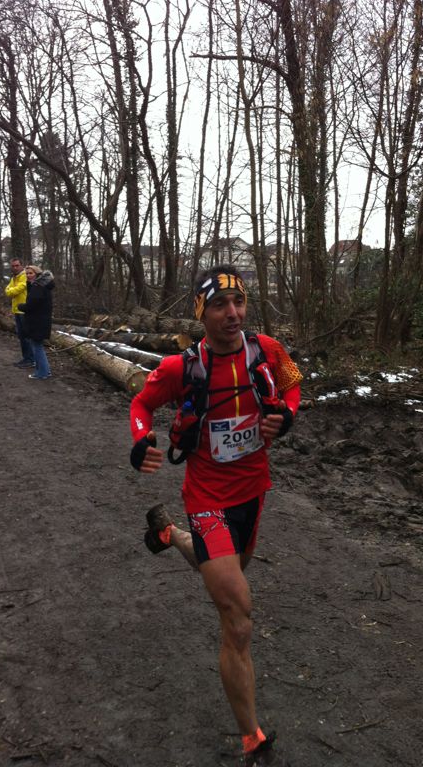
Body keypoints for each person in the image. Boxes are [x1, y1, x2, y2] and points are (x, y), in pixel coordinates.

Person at [129, 265, 302, 766]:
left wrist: (286, 416)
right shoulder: (181, 368)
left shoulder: (266, 352)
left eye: (240, 303)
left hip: (253, 493)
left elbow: (292, 386)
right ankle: (252, 737)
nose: (233, 314)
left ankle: (168, 534)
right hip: (206, 496)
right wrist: (140, 442)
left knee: (228, 574)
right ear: (201, 311)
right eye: (221, 305)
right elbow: (141, 403)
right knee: (237, 615)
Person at [17, 265, 55, 380]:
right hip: (40, 321)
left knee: (37, 347)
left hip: (38, 322)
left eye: (31, 273)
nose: (28, 275)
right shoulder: (40, 286)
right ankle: (44, 371)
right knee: (37, 346)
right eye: (27, 273)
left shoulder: (38, 287)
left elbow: (31, 305)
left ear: (37, 274)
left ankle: (42, 373)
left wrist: (21, 306)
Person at [4, 257, 35, 368]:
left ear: (21, 265)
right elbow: (8, 290)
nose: (15, 267)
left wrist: (10, 291)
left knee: (26, 336)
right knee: (21, 336)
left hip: (25, 311)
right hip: (17, 310)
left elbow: (17, 289)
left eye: (17, 265)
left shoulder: (24, 276)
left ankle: (31, 359)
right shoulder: (14, 278)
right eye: (13, 266)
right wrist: (10, 291)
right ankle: (26, 358)